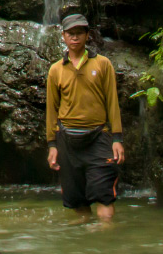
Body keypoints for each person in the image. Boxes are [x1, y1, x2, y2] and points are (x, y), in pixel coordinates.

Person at [45, 12, 124, 220]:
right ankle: (86, 246)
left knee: (104, 197)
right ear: (63, 36)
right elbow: (51, 110)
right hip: (67, 141)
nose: (75, 37)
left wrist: (117, 138)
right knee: (77, 202)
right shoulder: (55, 70)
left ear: (87, 35)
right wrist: (52, 145)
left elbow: (112, 102)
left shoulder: (102, 64)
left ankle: (105, 244)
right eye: (70, 33)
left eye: (79, 32)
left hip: (98, 137)